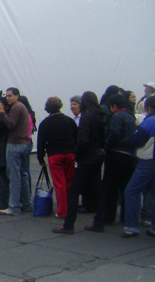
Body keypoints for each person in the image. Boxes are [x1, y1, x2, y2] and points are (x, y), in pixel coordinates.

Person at [122, 96, 155, 238]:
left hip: (148, 160)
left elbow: (137, 140)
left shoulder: (150, 121)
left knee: (131, 191)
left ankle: (131, 227)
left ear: (149, 108)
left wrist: (136, 128)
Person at [53, 91, 106, 234]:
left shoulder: (86, 117)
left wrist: (77, 153)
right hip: (97, 155)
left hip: (87, 157)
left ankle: (69, 224)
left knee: (74, 190)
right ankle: (99, 221)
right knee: (98, 189)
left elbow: (83, 139)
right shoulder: (100, 116)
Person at [37, 97, 78, 218]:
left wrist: (41, 158)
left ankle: (62, 211)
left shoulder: (45, 123)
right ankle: (71, 208)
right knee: (69, 181)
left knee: (59, 183)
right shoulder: (69, 121)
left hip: (55, 155)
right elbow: (77, 137)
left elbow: (41, 143)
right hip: (70, 154)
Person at [102, 93, 137, 225]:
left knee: (111, 188)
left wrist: (106, 148)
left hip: (116, 154)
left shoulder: (116, 116)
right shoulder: (131, 116)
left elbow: (114, 134)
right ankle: (125, 216)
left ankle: (108, 216)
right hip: (130, 155)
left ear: (114, 106)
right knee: (125, 187)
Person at [0, 87, 32, 216]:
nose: (7, 98)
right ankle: (27, 204)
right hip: (24, 144)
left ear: (17, 96)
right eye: (6, 96)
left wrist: (1, 112)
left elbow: (11, 124)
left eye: (10, 95)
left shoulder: (16, 107)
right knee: (22, 175)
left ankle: (14, 206)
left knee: (14, 176)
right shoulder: (23, 107)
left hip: (15, 144)